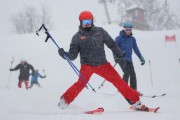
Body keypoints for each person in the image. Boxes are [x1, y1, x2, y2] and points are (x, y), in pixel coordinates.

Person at [57, 11, 148, 110]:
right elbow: (72, 55)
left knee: (119, 82)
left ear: (92, 21)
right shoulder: (77, 37)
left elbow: (112, 44)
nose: (87, 24)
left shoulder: (100, 32)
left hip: (103, 65)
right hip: (87, 65)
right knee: (80, 83)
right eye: (84, 22)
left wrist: (119, 53)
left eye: (89, 21)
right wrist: (65, 55)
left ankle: (136, 102)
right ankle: (64, 101)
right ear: (80, 22)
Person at [114, 21, 145, 96]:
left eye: (129, 29)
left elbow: (136, 49)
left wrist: (141, 57)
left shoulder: (132, 39)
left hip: (129, 59)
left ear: (131, 30)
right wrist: (115, 57)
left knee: (133, 74)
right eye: (127, 29)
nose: (128, 31)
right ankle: (123, 90)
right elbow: (114, 48)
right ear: (124, 29)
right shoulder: (118, 38)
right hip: (121, 59)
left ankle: (133, 90)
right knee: (127, 73)